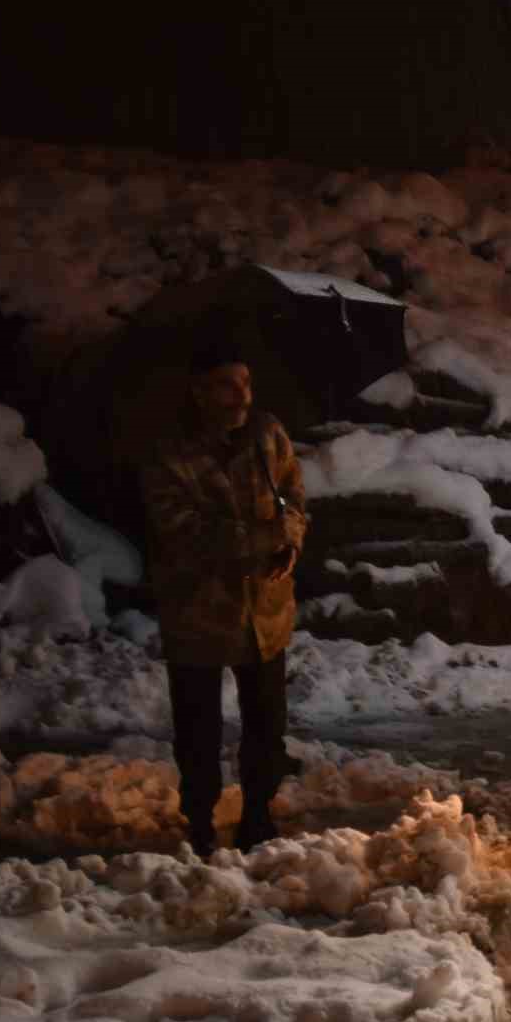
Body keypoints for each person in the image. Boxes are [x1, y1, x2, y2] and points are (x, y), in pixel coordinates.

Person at [141, 337, 308, 856]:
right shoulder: (170, 452)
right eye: (225, 385)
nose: (241, 395)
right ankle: (199, 822)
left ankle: (259, 815)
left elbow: (294, 494)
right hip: (198, 612)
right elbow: (181, 530)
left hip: (266, 612)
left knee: (267, 726)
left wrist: (290, 540)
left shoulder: (268, 435)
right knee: (198, 730)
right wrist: (262, 538)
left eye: (246, 382)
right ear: (198, 391)